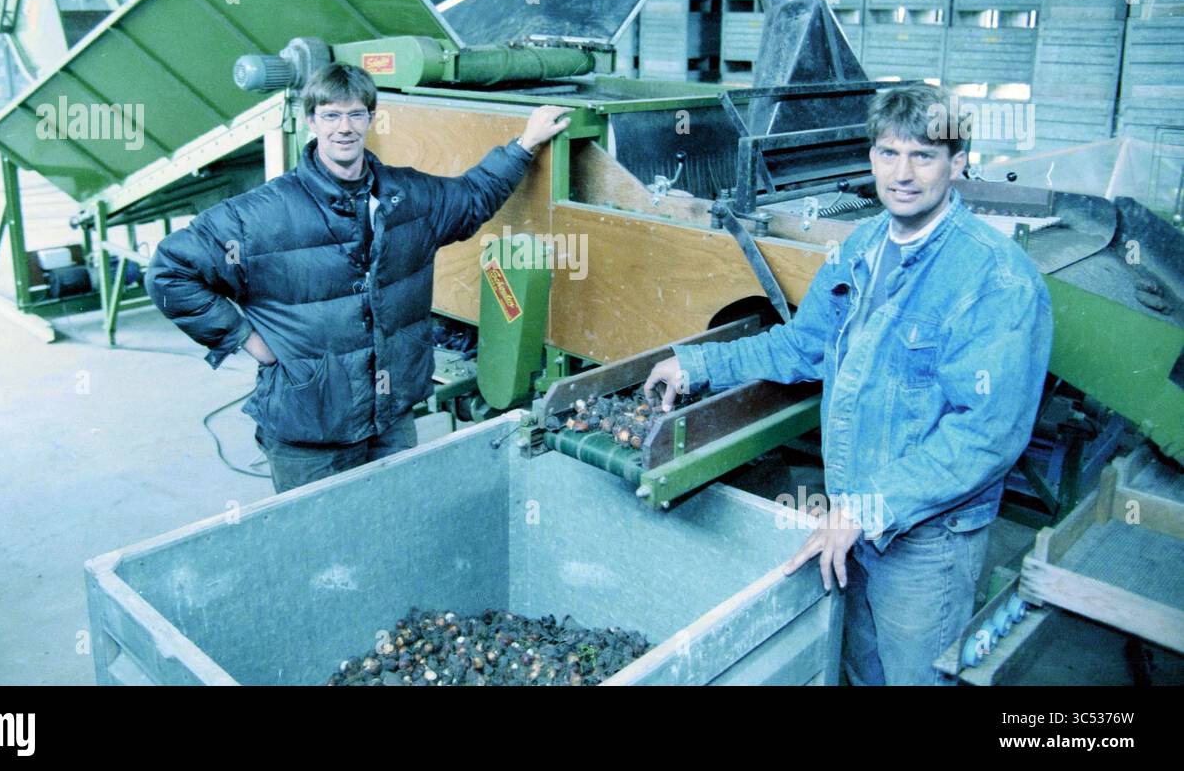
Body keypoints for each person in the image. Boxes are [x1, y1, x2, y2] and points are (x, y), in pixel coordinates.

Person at [643, 83, 1052, 685]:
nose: (903, 174)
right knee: (858, 668)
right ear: (870, 159)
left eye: (924, 155)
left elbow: (986, 435)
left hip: (925, 540)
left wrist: (868, 507)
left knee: (916, 678)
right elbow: (802, 345)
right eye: (889, 153)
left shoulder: (996, 279)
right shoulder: (860, 249)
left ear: (958, 164)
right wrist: (699, 365)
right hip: (849, 519)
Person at [147, 62, 570, 492]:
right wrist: (244, 339)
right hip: (308, 426)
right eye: (330, 115)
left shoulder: (408, 197)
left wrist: (524, 145)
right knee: (318, 545)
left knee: (393, 528)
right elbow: (169, 272)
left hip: (389, 418)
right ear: (311, 121)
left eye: (355, 114)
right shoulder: (260, 215)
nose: (343, 128)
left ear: (371, 117)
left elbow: (472, 197)